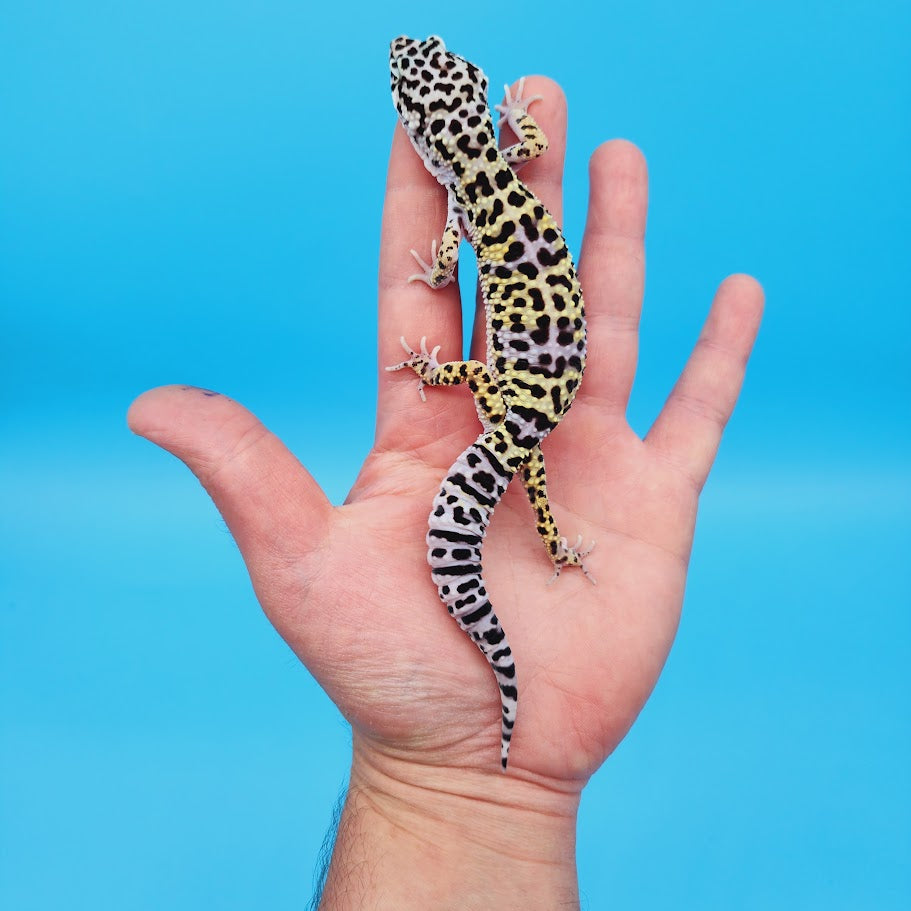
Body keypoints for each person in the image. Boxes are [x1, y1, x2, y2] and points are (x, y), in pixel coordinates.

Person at [128, 77, 763, 909]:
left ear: (436, 136)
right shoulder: (501, 164)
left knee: (512, 431)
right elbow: (525, 154)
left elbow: (451, 258)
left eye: (415, 82)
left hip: (528, 394)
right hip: (539, 393)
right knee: (519, 440)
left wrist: (436, 349)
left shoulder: (466, 203)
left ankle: (517, 623)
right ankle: (524, 607)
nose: (403, 71)